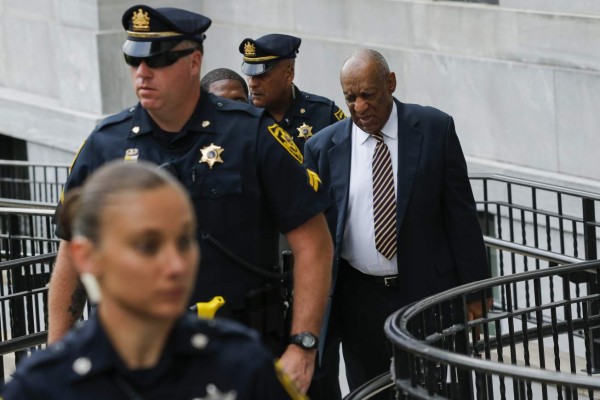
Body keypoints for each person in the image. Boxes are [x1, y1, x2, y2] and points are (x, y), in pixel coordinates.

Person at [47, 5, 333, 394]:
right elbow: (72, 254)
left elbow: (313, 242)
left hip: (239, 356)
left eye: (159, 60)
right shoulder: (106, 144)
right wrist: (60, 355)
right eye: (134, 60)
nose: (142, 73)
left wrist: (303, 344)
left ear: (194, 61)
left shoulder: (251, 135)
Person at [0, 161, 303, 399]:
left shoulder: (242, 364)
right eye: (147, 246)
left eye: (184, 241)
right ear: (87, 257)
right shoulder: (42, 389)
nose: (176, 265)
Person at [303, 49, 491, 399]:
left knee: (430, 387)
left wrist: (476, 291)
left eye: (368, 95)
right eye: (350, 98)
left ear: (390, 83)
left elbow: (461, 216)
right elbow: (315, 234)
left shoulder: (435, 128)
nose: (359, 107)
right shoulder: (323, 147)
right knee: (371, 389)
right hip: (359, 298)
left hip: (426, 290)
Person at [239, 33, 346, 153]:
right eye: (250, 75)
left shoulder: (325, 115)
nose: (252, 83)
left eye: (261, 75)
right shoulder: (241, 116)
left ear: (289, 74)